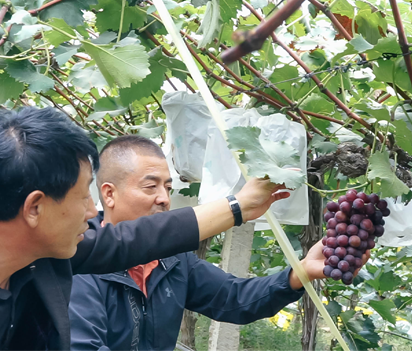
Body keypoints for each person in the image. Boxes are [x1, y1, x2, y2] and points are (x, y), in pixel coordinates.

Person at [0, 107, 289, 351]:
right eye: (82, 197)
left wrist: (240, 206)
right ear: (36, 206)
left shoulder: (39, 248)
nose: (91, 210)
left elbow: (132, 241)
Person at [68, 135, 335, 351]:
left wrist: (300, 273)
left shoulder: (172, 259)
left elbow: (233, 298)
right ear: (109, 194)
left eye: (168, 188)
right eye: (151, 187)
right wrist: (239, 205)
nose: (164, 199)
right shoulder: (77, 260)